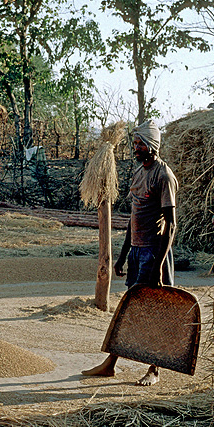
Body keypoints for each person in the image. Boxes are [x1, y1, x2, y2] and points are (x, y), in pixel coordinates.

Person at [82, 120, 178, 386]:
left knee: (152, 312)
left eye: (140, 144)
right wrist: (123, 256)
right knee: (129, 310)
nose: (135, 148)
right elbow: (134, 219)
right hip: (137, 252)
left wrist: (158, 264)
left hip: (153, 253)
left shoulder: (164, 176)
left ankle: (154, 370)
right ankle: (110, 364)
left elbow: (171, 224)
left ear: (152, 146)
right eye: (134, 143)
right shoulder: (139, 173)